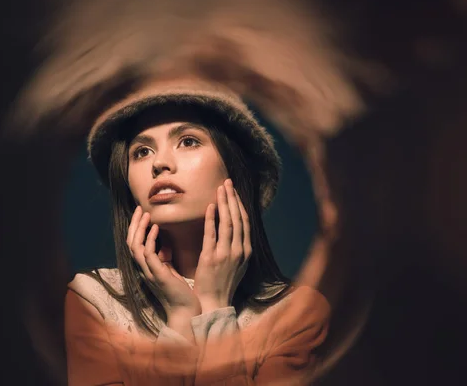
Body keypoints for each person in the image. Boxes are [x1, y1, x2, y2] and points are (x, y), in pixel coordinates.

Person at [65, 76, 331, 385]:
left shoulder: (298, 315)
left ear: (234, 167)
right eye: (141, 152)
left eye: (188, 141)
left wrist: (215, 307)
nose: (160, 163)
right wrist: (180, 316)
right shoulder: (93, 300)